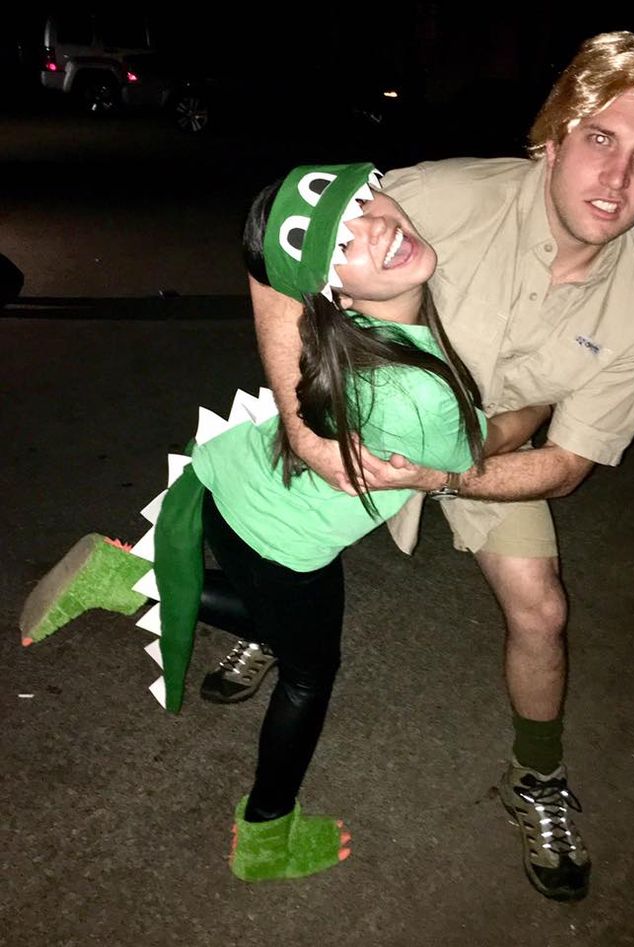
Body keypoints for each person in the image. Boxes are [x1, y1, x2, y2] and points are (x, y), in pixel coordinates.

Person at [212, 32, 634, 900]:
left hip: (486, 450)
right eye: (601, 139)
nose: (618, 179)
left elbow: (566, 464)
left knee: (542, 609)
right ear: (552, 139)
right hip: (379, 401)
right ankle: (269, 621)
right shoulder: (447, 193)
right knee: (288, 518)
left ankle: (536, 779)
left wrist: (439, 478)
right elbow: (281, 252)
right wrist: (304, 425)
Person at [20, 162, 550, 882]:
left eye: (365, 206)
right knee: (308, 670)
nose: (379, 229)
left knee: (277, 618)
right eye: (342, 245)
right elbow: (486, 446)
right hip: (281, 536)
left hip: (229, 484)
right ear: (334, 289)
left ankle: (124, 577)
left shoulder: (343, 328)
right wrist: (552, 399)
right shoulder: (419, 397)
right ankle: (267, 832)